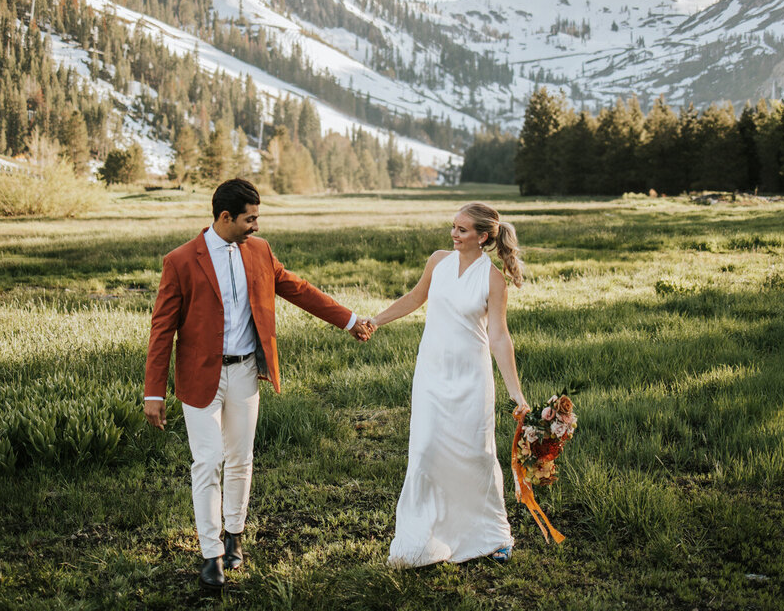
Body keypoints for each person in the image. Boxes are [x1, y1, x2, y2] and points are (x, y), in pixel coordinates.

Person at [143, 178, 375, 589]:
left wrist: (350, 320)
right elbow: (162, 329)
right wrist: (154, 393)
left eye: (257, 218)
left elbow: (298, 289)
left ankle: (234, 536)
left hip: (246, 371)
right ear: (225, 217)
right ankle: (210, 552)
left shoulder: (261, 250)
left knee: (241, 458)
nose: (256, 225)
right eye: (249, 219)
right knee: (207, 461)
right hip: (200, 378)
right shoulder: (180, 260)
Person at [368, 202, 529, 567]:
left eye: (462, 230)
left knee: (477, 455)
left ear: (482, 237)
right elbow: (414, 297)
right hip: (432, 374)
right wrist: (376, 321)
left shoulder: (493, 279)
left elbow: (500, 337)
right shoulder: (438, 261)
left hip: (471, 378)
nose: (453, 235)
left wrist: (515, 392)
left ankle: (492, 535)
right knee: (425, 451)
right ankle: (423, 538)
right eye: (453, 227)